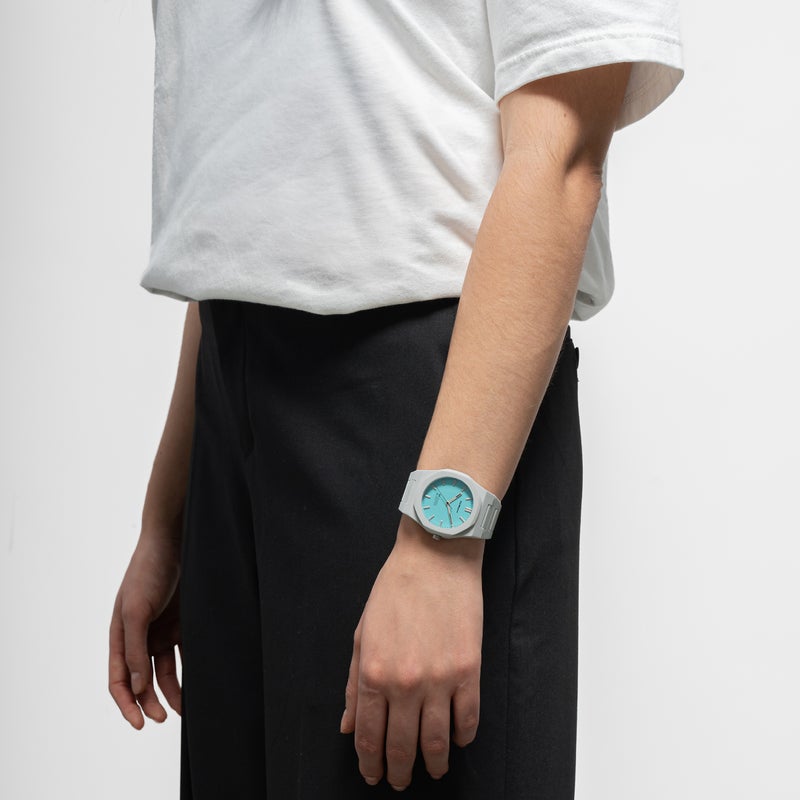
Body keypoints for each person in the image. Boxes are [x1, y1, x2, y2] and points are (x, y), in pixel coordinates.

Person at [109, 1, 684, 797]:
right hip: (231, 407)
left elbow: (562, 152)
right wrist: (167, 518)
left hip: (432, 416)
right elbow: (251, 198)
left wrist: (441, 539)